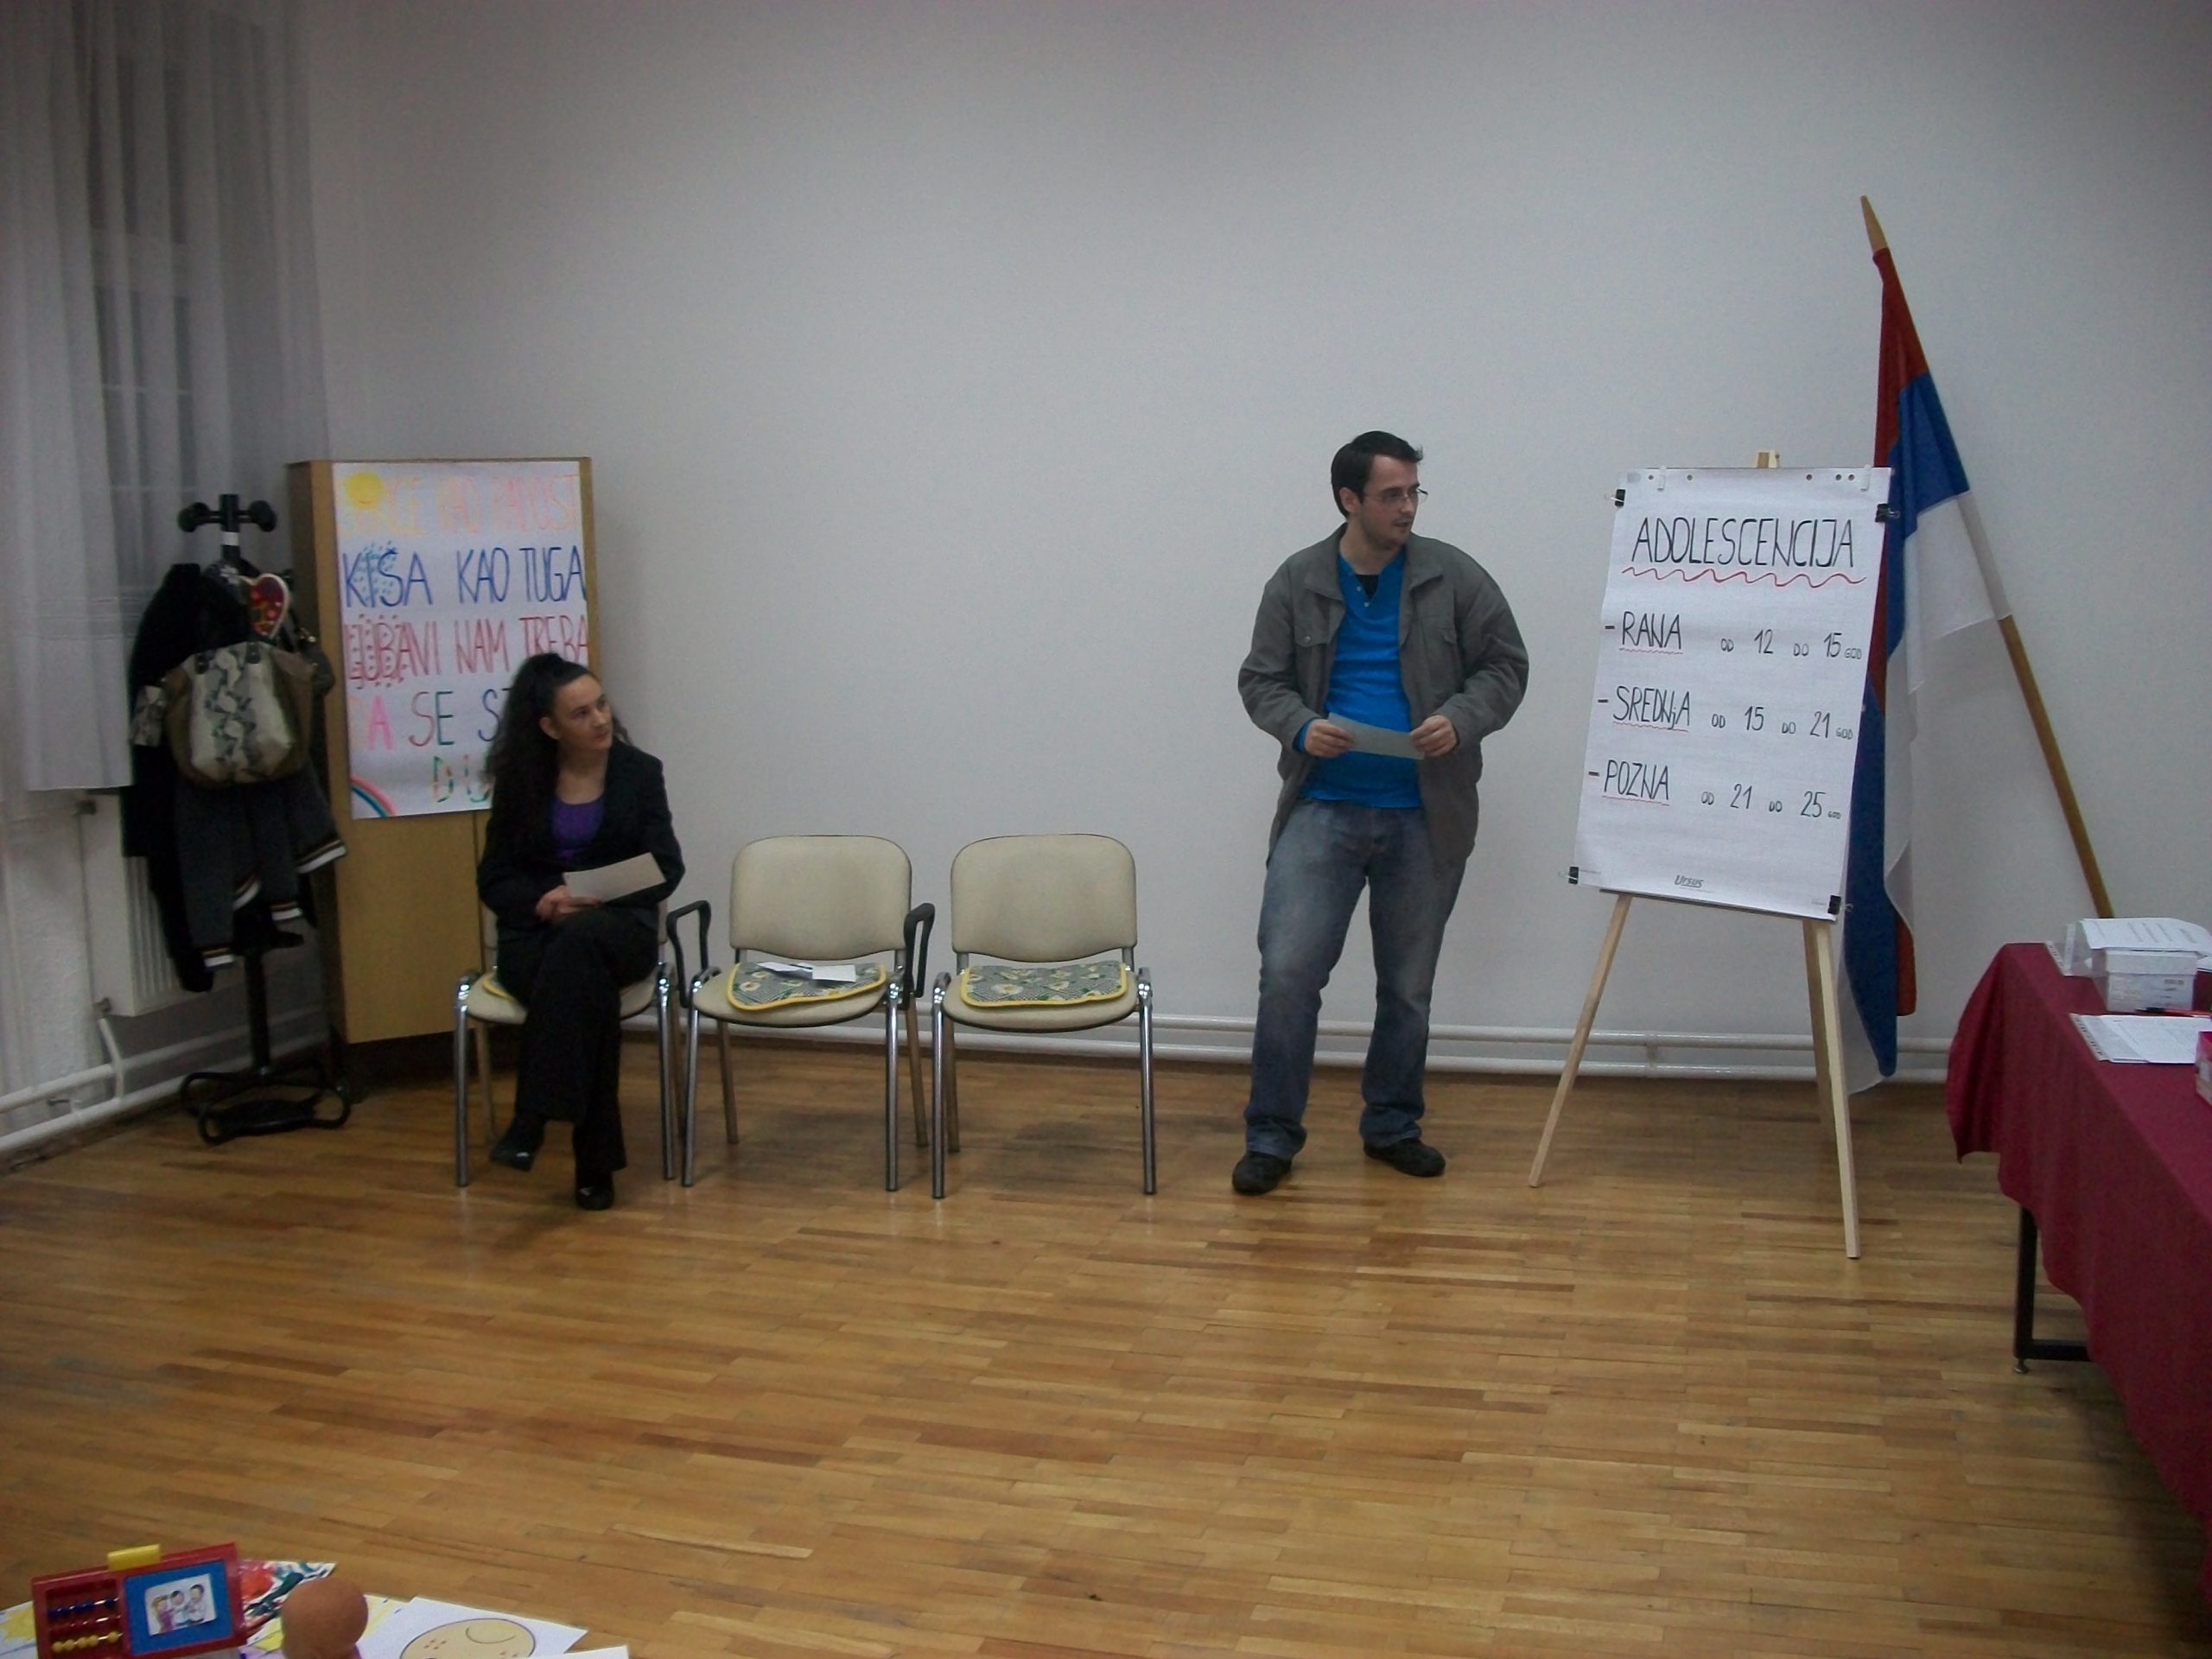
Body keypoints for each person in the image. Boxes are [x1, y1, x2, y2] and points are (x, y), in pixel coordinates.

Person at [1232, 432, 1529, 1195]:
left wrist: (1461, 717)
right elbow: (1261, 680)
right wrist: (1301, 726)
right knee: (1288, 974)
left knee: (1407, 987)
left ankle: (1393, 1125)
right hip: (1322, 808)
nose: (1408, 508)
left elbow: (1506, 666)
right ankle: (1271, 1136)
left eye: (1413, 492)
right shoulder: (1297, 580)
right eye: (1392, 495)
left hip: (1424, 816)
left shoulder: (1454, 577)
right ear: (1349, 500)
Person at [478, 653, 683, 1210]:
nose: (600, 720)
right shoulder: (521, 782)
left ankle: (532, 1118)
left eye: (602, 705)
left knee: (584, 945)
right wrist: (543, 901)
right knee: (583, 986)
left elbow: (666, 867)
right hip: (538, 937)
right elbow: (494, 878)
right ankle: (594, 1164)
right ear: (549, 727)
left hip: (619, 929)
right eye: (581, 713)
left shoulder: (639, 773)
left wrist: (596, 892)